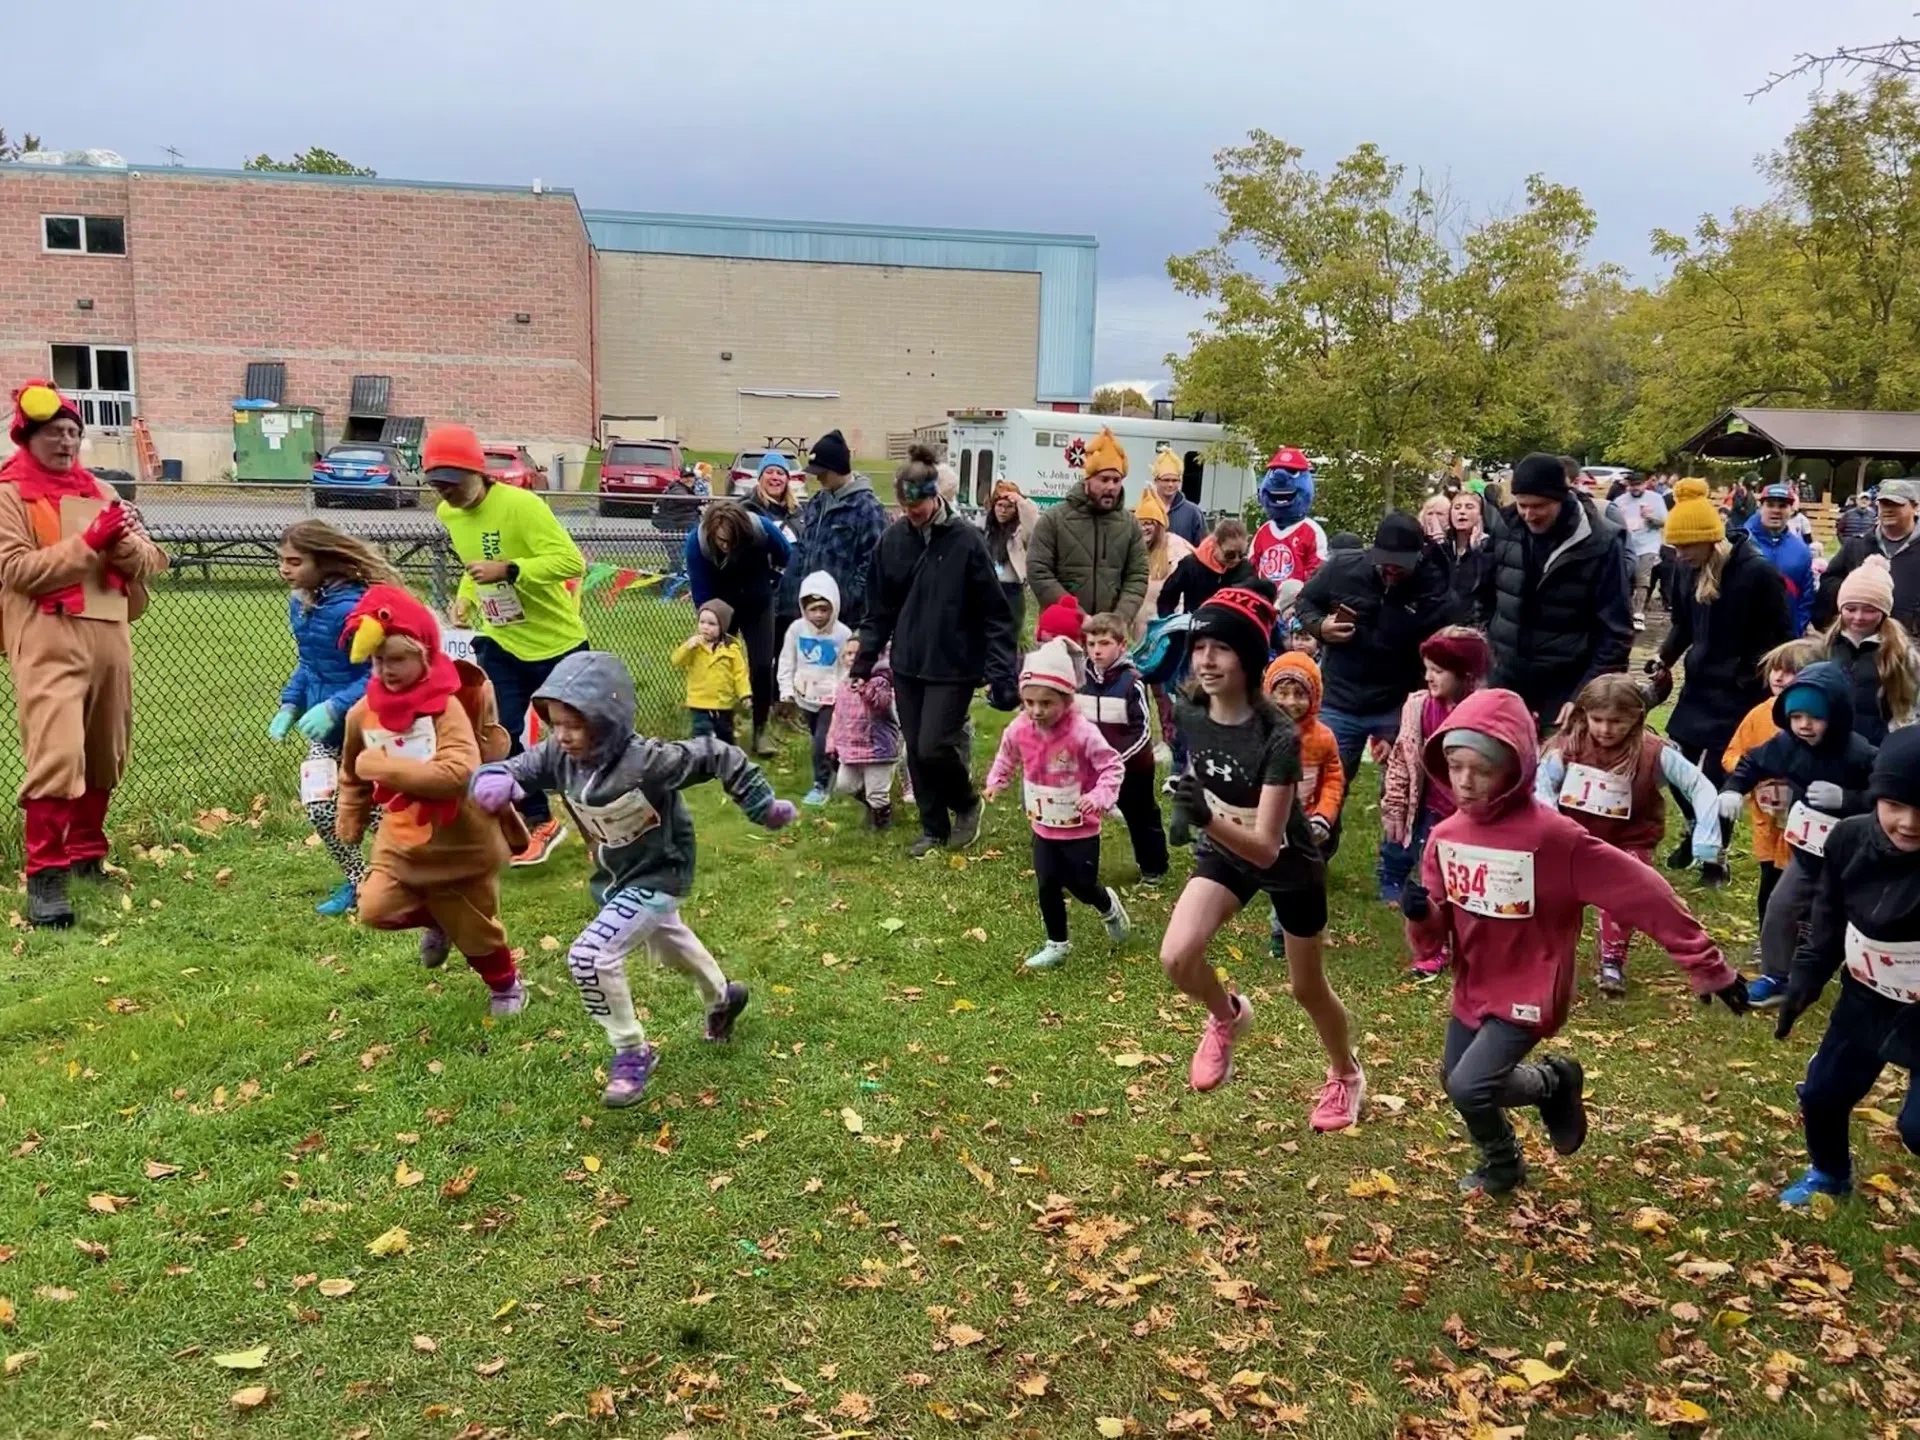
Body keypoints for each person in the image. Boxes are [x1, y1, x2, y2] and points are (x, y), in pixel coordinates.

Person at [1403, 689, 1747, 1194]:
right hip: (1475, 983)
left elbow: (1643, 892)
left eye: (1482, 769)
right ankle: (1545, 1096)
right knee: (1458, 1083)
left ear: (1516, 768)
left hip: (1533, 983)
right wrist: (1421, 915)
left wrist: (1707, 964)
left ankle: (1514, 1145)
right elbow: (1435, 933)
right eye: (1455, 766)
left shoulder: (1554, 837)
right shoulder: (1447, 835)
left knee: (1471, 1085)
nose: (1465, 782)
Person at [473, 652, 795, 1107]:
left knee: (590, 956)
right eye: (554, 721)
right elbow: (519, 768)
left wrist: (762, 805)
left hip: (661, 872)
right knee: (669, 942)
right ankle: (723, 998)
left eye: (574, 723)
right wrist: (497, 777)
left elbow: (718, 754)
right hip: (617, 878)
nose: (561, 734)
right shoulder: (559, 755)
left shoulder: (647, 762)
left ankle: (632, 1051)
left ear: (606, 720)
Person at [1160, 584, 1365, 1128]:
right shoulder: (1192, 709)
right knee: (1177, 957)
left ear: (1249, 656)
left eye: (1221, 648)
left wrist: (1204, 817)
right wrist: (1191, 804)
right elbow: (1206, 771)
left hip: (1286, 861)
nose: (1206, 659)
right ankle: (1227, 1017)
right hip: (1224, 848)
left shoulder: (1277, 736)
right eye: (1200, 645)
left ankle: (1345, 1073)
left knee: (1306, 988)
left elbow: (1269, 846)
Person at [0, 379, 168, 927]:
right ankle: (44, 877)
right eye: (55, 431)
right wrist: (89, 543)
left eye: (74, 432)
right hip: (48, 633)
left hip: (108, 632)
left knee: (105, 747)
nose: (67, 441)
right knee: (57, 752)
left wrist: (122, 540)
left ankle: (86, 854)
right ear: (28, 435)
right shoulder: (8, 492)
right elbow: (17, 570)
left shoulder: (99, 488)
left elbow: (150, 558)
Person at [336, 586, 529, 1012]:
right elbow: (352, 771)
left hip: (462, 836)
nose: (386, 670)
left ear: (424, 655)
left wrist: (385, 770)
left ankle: (506, 985)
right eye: (378, 660)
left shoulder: (444, 709)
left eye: (398, 659)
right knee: (374, 907)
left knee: (476, 926)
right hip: (403, 838)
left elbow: (457, 774)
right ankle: (439, 921)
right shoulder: (362, 713)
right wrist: (351, 811)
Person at [1770, 726, 1920, 1207]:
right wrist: (1806, 977)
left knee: (1917, 1130)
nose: (1909, 822)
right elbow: (1828, 916)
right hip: (1868, 997)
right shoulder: (1849, 839)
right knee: (1822, 1094)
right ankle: (1830, 1173)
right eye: (1895, 803)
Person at [425, 422, 587, 865]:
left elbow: (571, 561)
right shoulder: (448, 514)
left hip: (557, 641)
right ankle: (539, 821)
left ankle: (607, 823)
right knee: (497, 735)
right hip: (500, 640)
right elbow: (470, 563)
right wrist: (465, 598)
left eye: (454, 484)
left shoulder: (521, 505)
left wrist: (510, 569)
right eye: (438, 487)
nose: (448, 495)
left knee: (583, 740)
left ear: (479, 472)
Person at [854, 444, 1019, 857]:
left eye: (920, 503)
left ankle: (965, 803)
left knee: (933, 745)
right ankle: (933, 828)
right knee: (915, 747)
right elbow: (879, 608)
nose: (913, 512)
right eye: (905, 504)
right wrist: (864, 660)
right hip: (909, 660)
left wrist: (1002, 674)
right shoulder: (893, 540)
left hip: (955, 662)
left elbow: (996, 613)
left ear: (935, 496)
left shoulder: (966, 539)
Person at [1535, 675, 1725, 996]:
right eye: (1598, 720)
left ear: (1636, 716)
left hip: (1628, 839)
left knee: (1623, 900)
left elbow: (1699, 784)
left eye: (1617, 721)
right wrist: (1553, 828)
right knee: (1556, 900)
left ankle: (1612, 960)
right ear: (1584, 715)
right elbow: (1542, 788)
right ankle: (1550, 959)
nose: (1606, 729)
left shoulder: (1654, 753)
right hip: (1573, 839)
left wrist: (1706, 835)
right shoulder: (1566, 749)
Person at [1652, 479, 1795, 868]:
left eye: (1686, 547)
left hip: (1738, 691)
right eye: (1675, 547)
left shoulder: (1758, 574)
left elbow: (1782, 638)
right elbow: (1683, 624)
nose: (1679, 555)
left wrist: (1752, 678)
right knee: (1675, 768)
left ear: (1711, 541)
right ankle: (1699, 825)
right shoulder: (1685, 570)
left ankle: (1714, 853)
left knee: (1717, 777)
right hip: (1698, 686)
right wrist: (1663, 658)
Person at [1719, 662, 1878, 1007]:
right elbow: (1752, 763)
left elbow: (1889, 794)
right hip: (1807, 854)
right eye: (1796, 716)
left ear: (1835, 716)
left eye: (1815, 717)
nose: (1804, 725)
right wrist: (1733, 789)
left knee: (1852, 923)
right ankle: (1776, 976)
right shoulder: (1786, 744)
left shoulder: (1860, 753)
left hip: (1855, 860)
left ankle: (1870, 984)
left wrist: (1849, 799)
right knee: (1780, 907)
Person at [270, 521, 401, 916]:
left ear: (323, 562)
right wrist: (290, 705)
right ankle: (360, 882)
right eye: (282, 560)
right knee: (321, 805)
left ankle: (404, 876)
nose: (285, 569)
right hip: (325, 732)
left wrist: (335, 707)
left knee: (380, 809)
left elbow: (380, 672)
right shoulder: (301, 603)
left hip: (372, 725)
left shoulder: (356, 609)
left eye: (295, 561)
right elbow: (310, 663)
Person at [983, 636, 1129, 970]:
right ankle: (1057, 944)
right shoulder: (1020, 728)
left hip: (1080, 825)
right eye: (1029, 702)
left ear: (1066, 699)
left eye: (1046, 703)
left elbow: (1112, 765)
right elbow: (1006, 757)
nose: (1036, 711)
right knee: (1047, 883)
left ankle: (1108, 906)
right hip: (1043, 822)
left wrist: (1098, 797)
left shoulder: (1082, 733)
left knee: (1081, 884)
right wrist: (996, 782)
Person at [1294, 511, 1462, 794]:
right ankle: (1319, 836)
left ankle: (1397, 839)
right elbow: (1305, 600)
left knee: (1402, 791)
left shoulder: (1436, 590)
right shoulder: (1342, 568)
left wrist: (1408, 720)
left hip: (1397, 703)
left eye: (1401, 565)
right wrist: (1320, 627)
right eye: (1385, 563)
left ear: (1419, 555)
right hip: (1339, 698)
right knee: (1321, 791)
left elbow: (1438, 655)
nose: (1392, 570)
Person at [1480, 451, 1633, 730]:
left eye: (1539, 506)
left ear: (1560, 498)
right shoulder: (1504, 528)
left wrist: (1585, 696)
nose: (1528, 515)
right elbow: (1483, 597)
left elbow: (1616, 631)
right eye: (1522, 504)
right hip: (1505, 681)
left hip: (1566, 690)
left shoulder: (1600, 543)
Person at [1381, 626, 1492, 974]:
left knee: (1474, 887)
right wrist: (1395, 805)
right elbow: (1401, 758)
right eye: (1426, 668)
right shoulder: (1417, 707)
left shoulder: (1487, 710)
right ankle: (1432, 951)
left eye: (1438, 671)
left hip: (1477, 817)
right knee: (1433, 886)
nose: (1428, 676)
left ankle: (1480, 949)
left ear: (1467, 674)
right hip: (1433, 813)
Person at [1724, 639, 1827, 965]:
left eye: (1791, 672)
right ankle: (1767, 940)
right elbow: (1734, 755)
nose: (1780, 677)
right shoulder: (1759, 714)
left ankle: (1806, 936)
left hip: (1806, 822)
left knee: (1804, 881)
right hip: (1767, 820)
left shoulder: (1820, 719)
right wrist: (1750, 778)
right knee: (1770, 881)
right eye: (1776, 670)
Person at [685, 499, 792, 758]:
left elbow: (786, 553)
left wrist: (773, 579)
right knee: (720, 667)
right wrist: (708, 622)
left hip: (758, 604)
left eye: (733, 541)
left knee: (762, 666)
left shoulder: (761, 528)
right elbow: (700, 589)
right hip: (720, 608)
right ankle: (723, 731)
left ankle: (760, 730)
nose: (727, 546)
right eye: (722, 541)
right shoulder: (696, 544)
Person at [1027, 427, 1150, 623]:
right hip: (1061, 628)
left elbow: (1137, 577)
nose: (1111, 487)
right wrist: (1076, 615)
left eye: (1116, 480)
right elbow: (1038, 571)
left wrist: (1118, 619)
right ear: (1088, 480)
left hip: (1108, 635)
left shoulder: (1129, 525)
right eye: (1104, 480)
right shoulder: (1054, 519)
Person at [1080, 611, 1168, 883]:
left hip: (1132, 766)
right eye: (1091, 644)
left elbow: (1142, 730)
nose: (1096, 651)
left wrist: (1116, 760)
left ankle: (1154, 868)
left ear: (1121, 645)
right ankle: (1079, 867)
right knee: (1080, 813)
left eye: (1104, 643)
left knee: (1141, 815)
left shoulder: (1132, 682)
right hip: (1090, 765)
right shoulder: (1082, 679)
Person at [786, 427, 888, 654]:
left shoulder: (868, 508)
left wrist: (845, 600)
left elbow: (872, 564)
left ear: (838, 468)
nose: (818, 476)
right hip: (810, 614)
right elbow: (804, 548)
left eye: (822, 471)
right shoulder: (818, 502)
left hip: (846, 621)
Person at [1823, 555, 1919, 746]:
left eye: (1869, 610)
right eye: (1851, 609)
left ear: (1884, 611)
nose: (1859, 617)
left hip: (1878, 746)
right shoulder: (1826, 647)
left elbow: (1911, 706)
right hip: (1831, 745)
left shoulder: (1900, 653)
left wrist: (1896, 741)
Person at [777, 571, 851, 806]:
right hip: (805, 696)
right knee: (821, 739)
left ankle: (821, 785)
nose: (818, 615)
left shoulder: (842, 634)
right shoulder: (796, 631)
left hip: (832, 699)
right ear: (804, 608)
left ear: (834, 607)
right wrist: (786, 691)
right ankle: (839, 772)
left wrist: (842, 693)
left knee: (821, 741)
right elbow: (787, 661)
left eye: (824, 609)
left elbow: (848, 666)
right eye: (813, 609)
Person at [1816, 476, 1920, 634]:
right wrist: (1857, 593)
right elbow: (1828, 583)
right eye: (1883, 503)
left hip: (1911, 643)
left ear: (1916, 507)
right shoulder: (1856, 545)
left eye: (1896, 504)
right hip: (1860, 641)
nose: (1887, 509)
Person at [741, 451, 805, 667]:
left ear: (788, 479)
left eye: (780, 473)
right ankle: (761, 699)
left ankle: (783, 699)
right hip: (761, 599)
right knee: (762, 660)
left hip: (793, 600)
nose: (775, 477)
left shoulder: (798, 513)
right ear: (760, 477)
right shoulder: (747, 510)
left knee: (788, 658)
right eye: (769, 472)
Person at [828, 640, 902, 828]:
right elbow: (838, 715)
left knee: (877, 792)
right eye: (849, 654)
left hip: (878, 748)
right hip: (850, 747)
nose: (853, 658)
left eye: (858, 654)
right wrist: (832, 742)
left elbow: (882, 704)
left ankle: (881, 824)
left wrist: (864, 686)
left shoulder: (882, 680)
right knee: (845, 784)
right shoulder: (843, 684)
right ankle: (872, 804)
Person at [1743, 482, 1817, 634]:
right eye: (1770, 505)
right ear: (1760, 507)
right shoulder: (1741, 542)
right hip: (1744, 639)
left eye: (1782, 506)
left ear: (1791, 510)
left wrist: (1796, 631)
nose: (1776, 511)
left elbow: (1806, 597)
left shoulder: (1801, 550)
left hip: (1785, 639)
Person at [672, 599, 750, 743]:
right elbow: (677, 661)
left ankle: (727, 761)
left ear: (723, 626)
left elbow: (740, 674)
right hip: (699, 703)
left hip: (723, 704)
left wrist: (744, 694)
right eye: (702, 622)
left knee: (725, 736)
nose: (705, 627)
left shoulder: (731, 649)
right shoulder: (694, 647)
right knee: (702, 738)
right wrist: (687, 647)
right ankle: (704, 762)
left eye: (711, 624)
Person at [1249, 447, 1328, 586]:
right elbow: (1252, 567)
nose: (1280, 477)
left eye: (1292, 472)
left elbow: (1316, 573)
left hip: (1294, 603)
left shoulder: (1311, 531)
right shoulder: (1264, 531)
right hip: (1265, 601)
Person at [1157, 517, 1255, 619]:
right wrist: (1172, 626)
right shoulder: (1191, 565)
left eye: (1242, 554)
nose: (1236, 560)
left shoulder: (1246, 569)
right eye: (1230, 555)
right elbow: (1166, 599)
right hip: (1194, 628)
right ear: (1215, 544)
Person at [981, 480, 1040, 635]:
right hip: (987, 588)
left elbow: (1035, 526)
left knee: (1009, 636)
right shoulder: (985, 529)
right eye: (999, 505)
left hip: (1011, 590)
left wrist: (1020, 501)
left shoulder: (1020, 531)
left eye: (1009, 507)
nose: (1003, 511)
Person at [1610, 471, 1668, 629]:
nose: (1635, 488)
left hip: (1648, 544)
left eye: (1638, 485)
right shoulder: (1620, 501)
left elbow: (1664, 521)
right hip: (1626, 545)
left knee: (1643, 578)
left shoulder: (1655, 499)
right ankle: (1625, 612)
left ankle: (1638, 613)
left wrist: (1651, 517)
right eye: (1632, 485)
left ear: (1645, 484)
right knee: (1625, 578)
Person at [1133, 489, 1194, 639]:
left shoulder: (1176, 547)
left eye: (1148, 524)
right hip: (1138, 633)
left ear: (1159, 525)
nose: (1143, 528)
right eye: (1139, 524)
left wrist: (1176, 626)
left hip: (1166, 630)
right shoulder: (1134, 549)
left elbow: (1184, 592)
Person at [1438, 490, 1489, 610]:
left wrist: (1475, 550)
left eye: (1469, 507)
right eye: (1457, 507)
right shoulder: (1444, 547)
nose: (1462, 512)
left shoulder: (1491, 546)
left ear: (1481, 515)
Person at [1150, 448, 1207, 545]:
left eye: (1175, 480)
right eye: (1166, 480)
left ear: (1180, 482)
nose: (1170, 484)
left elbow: (1203, 548)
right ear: (1156, 481)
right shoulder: (1146, 509)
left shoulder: (1193, 513)